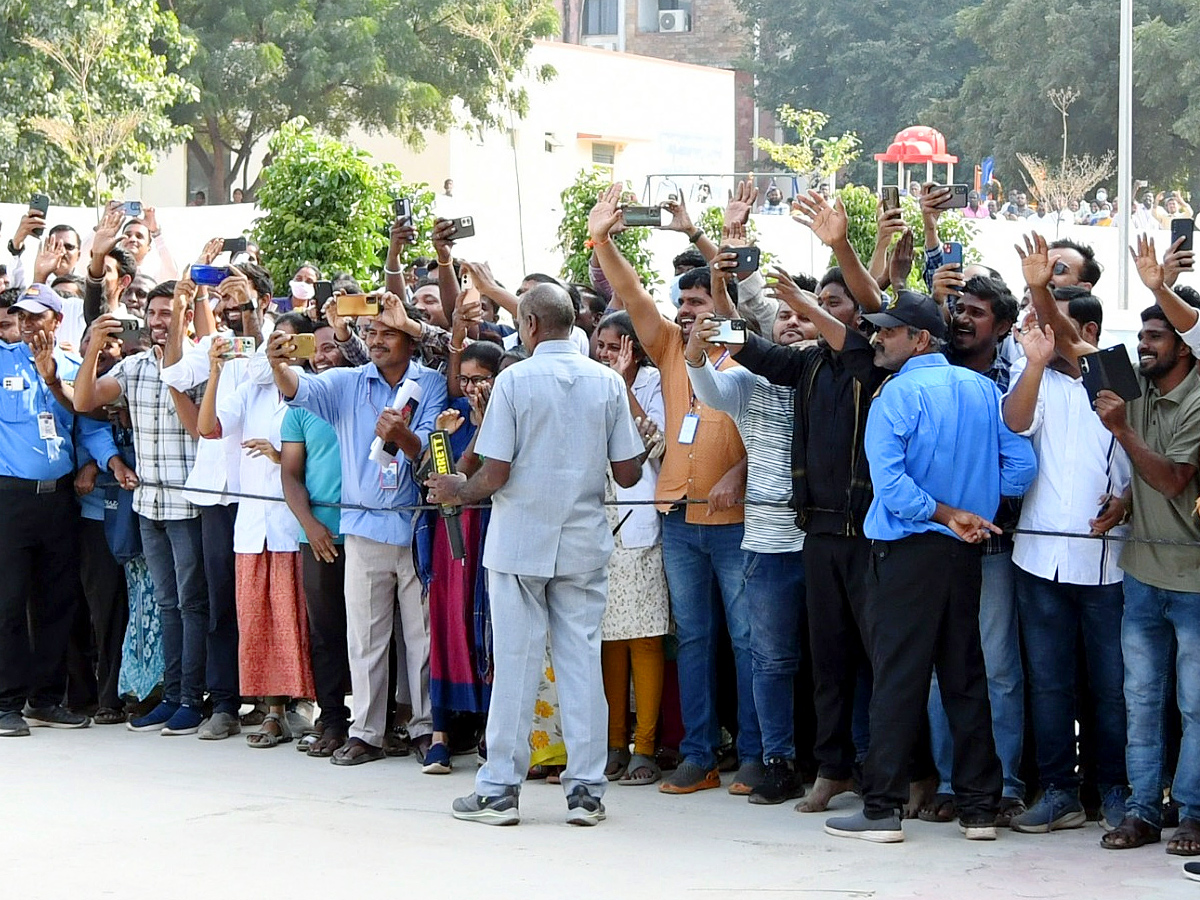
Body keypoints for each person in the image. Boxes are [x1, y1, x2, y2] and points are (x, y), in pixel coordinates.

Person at [426, 283, 645, 826]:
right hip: (583, 544)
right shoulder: (607, 382)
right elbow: (629, 472)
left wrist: (458, 489)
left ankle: (499, 790)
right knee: (581, 664)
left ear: (527, 324)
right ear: (573, 324)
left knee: (517, 666)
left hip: (520, 543)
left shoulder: (515, 380)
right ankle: (587, 792)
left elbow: (493, 472)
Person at [824, 289, 1037, 843]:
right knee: (964, 678)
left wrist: (947, 513)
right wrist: (977, 509)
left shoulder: (896, 394)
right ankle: (979, 809)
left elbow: (891, 487)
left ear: (920, 339)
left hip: (911, 550)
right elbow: (1020, 466)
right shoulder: (980, 388)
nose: (877, 338)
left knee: (899, 677)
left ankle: (882, 810)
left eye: (889, 331)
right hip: (963, 549)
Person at [589, 183, 760, 797]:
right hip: (679, 523)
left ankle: (760, 754)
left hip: (737, 523)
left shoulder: (744, 353)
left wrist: (713, 238)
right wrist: (603, 240)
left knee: (746, 640)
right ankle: (699, 755)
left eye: (700, 301)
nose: (689, 311)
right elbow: (630, 295)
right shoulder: (663, 350)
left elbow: (767, 435)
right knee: (692, 638)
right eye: (682, 303)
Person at [265, 292, 447, 766]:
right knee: (364, 638)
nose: (377, 340)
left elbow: (430, 453)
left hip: (415, 526)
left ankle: (425, 728)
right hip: (363, 526)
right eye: (372, 332)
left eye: (389, 333)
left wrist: (401, 436)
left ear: (411, 339)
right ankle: (365, 730)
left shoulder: (429, 385)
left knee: (421, 640)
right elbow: (298, 391)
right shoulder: (346, 382)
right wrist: (279, 364)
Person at [1002, 241, 1133, 834]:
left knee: (1110, 689)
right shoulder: (1040, 377)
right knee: (1049, 684)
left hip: (1109, 567)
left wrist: (1037, 293)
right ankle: (1059, 791)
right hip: (1037, 559)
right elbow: (1014, 423)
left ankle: (1116, 790)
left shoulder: (1116, 371)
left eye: (1056, 323)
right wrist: (1032, 363)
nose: (1043, 331)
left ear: (1091, 328)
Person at [683, 273, 813, 805]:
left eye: (802, 314)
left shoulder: (835, 374)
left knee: (836, 659)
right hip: (766, 545)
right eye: (784, 316)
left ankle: (843, 761)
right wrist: (696, 351)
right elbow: (708, 388)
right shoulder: (747, 381)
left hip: (829, 543)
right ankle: (777, 761)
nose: (792, 323)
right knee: (771, 660)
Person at [1094, 237, 1200, 855]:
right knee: (1141, 701)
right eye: (1143, 334)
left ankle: (1191, 812)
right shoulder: (1138, 385)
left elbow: (1172, 477)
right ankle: (1141, 811)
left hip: (1192, 580)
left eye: (1156, 336)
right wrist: (1125, 503)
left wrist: (1123, 432)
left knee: (1193, 704)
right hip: (1142, 573)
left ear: (1183, 345)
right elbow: (1076, 347)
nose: (1144, 345)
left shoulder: (1196, 395)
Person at [73, 280, 210, 736]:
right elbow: (84, 400)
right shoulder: (132, 367)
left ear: (186, 317)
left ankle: (193, 698)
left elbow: (206, 430)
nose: (156, 321)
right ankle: (172, 696)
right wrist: (93, 347)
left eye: (167, 313)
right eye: (152, 313)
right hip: (148, 502)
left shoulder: (200, 363)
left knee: (192, 603)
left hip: (189, 503)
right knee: (168, 602)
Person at [0, 284, 134, 736]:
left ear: (57, 322)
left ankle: (45, 699)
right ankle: (5, 703)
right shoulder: (1, 360)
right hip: (9, 497)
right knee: (8, 603)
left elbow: (91, 427)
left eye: (37, 316)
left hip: (59, 498)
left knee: (57, 601)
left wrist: (109, 460)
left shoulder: (78, 370)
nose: (27, 324)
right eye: (22, 316)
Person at [197, 320, 316, 748]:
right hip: (251, 528)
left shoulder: (311, 390)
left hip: (294, 526)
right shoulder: (248, 392)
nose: (277, 349)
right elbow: (207, 428)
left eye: (287, 342)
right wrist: (213, 372)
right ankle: (273, 711)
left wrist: (279, 454)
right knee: (257, 622)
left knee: (295, 620)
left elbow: (322, 454)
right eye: (273, 341)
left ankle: (303, 706)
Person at [593, 312, 669, 787]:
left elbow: (657, 447)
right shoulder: (588, 384)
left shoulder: (655, 384)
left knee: (644, 638)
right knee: (608, 640)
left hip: (641, 527)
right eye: (599, 346)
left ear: (634, 348)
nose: (604, 355)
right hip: (597, 525)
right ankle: (614, 743)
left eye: (613, 346)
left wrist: (624, 389)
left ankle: (646, 746)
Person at [280, 320, 353, 757]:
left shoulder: (364, 396)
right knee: (326, 631)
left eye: (332, 347)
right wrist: (309, 524)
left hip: (369, 531)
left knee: (373, 633)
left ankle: (379, 718)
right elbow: (290, 474)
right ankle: (331, 717)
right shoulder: (299, 409)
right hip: (319, 535)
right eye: (318, 349)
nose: (324, 355)